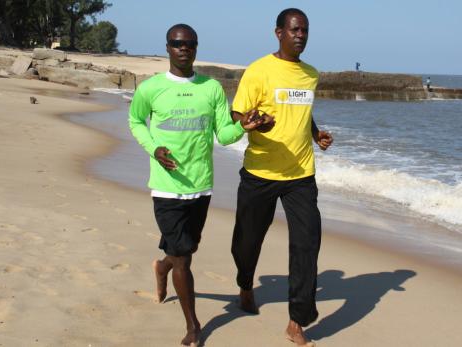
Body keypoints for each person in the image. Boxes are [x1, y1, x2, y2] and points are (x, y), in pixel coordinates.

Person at [128, 23, 262, 347]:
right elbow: (135, 122)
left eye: (189, 43)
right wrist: (154, 149)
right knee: (184, 258)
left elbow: (223, 134)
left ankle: (161, 268)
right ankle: (194, 325)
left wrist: (243, 127)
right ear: (168, 47)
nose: (183, 48)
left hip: (201, 186)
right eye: (177, 43)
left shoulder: (211, 88)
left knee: (184, 250)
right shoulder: (151, 88)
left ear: (196, 47)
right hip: (166, 187)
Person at [230, 8, 333, 347]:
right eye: (294, 30)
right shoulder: (259, 70)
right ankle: (246, 284)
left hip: (301, 174)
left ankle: (297, 321)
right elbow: (239, 111)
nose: (300, 35)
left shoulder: (311, 74)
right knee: (247, 242)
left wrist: (316, 134)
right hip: (260, 171)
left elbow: (303, 109)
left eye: (304, 30)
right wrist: (254, 120)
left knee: (307, 244)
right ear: (278, 33)